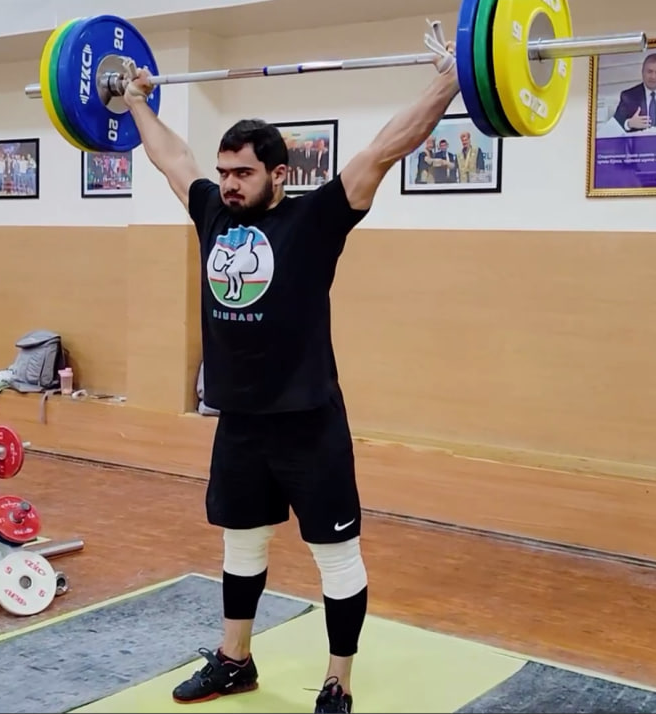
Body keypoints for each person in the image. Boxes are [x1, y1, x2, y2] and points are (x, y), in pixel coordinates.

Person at [116, 20, 461, 714]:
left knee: (336, 557)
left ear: (279, 174)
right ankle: (234, 660)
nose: (229, 183)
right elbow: (170, 157)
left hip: (308, 422)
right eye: (225, 172)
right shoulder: (213, 212)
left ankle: (338, 682)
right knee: (241, 548)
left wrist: (453, 80)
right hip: (240, 421)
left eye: (243, 173)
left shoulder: (316, 220)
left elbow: (387, 146)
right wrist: (134, 102)